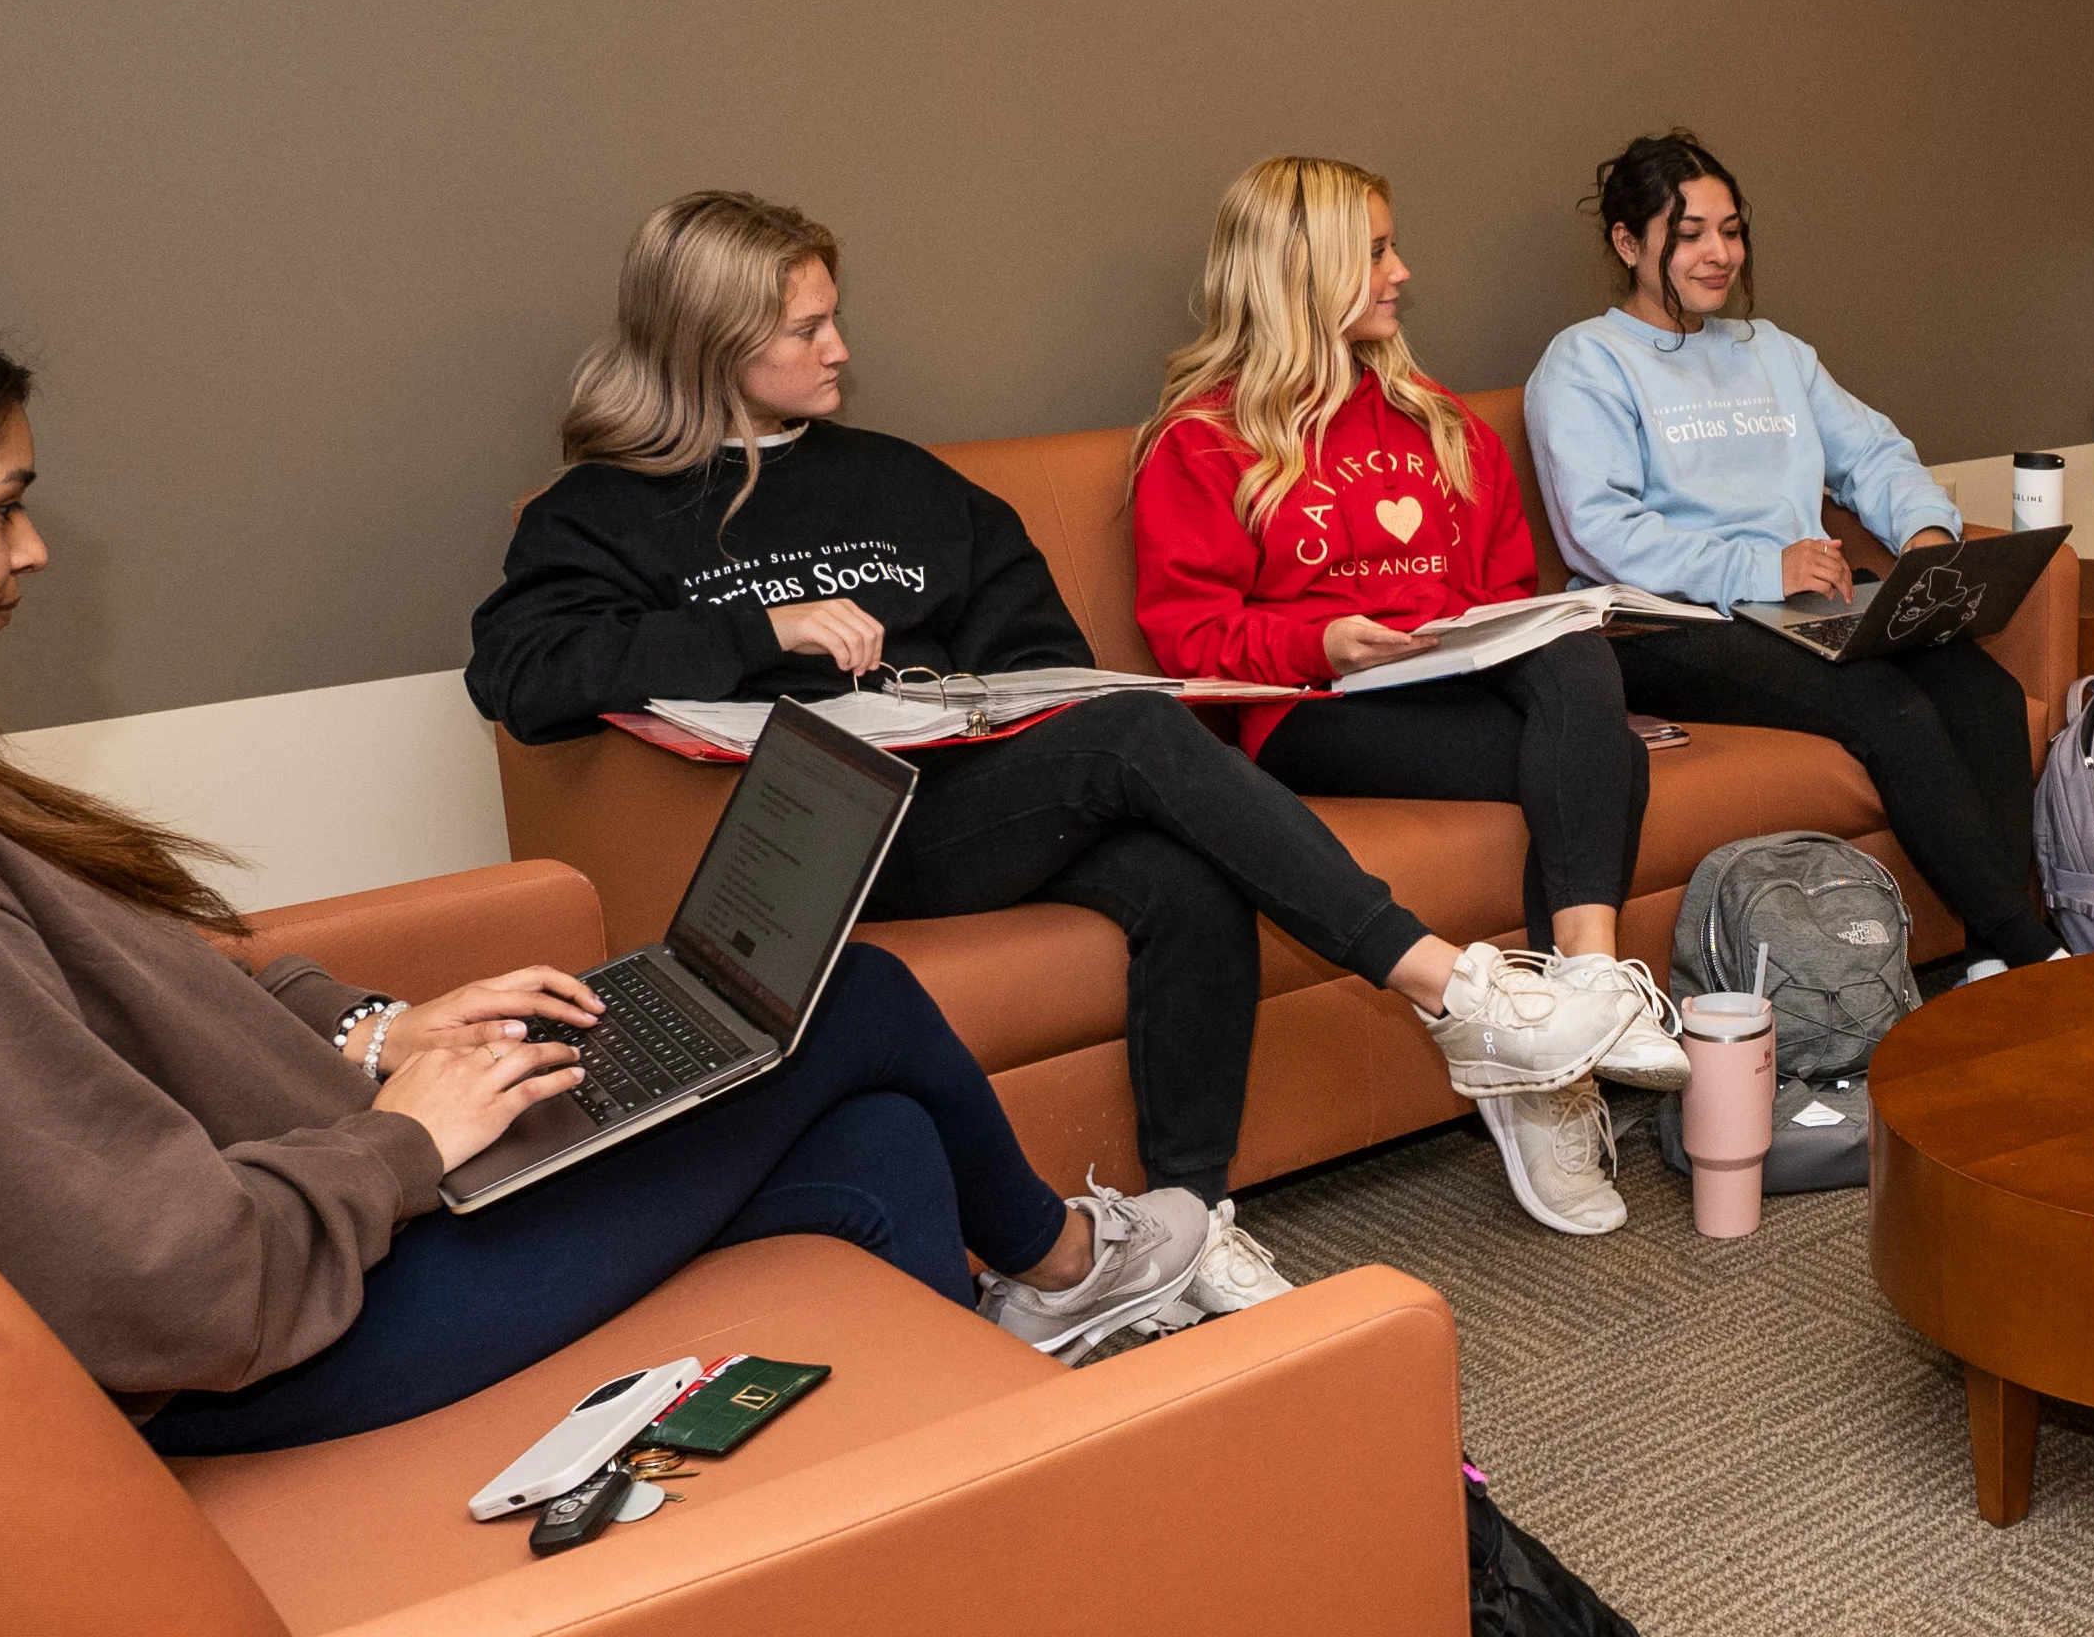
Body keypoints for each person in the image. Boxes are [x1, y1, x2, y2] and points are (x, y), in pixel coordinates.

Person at [0, 270, 1227, 1453]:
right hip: (298, 1320)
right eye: (2, 506)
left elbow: (142, 992)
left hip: (326, 1188)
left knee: (869, 1133)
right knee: (848, 1003)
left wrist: (378, 1033)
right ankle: (1071, 1273)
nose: (32, 549)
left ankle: (964, 1445)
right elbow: (167, 1280)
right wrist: (408, 1138)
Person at [468, 193, 1636, 1284]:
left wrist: (973, 700)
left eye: (834, 318)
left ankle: (1188, 1227)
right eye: (806, 329)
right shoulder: (602, 513)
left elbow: (1035, 646)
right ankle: (1456, 991)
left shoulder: (900, 481)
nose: (839, 350)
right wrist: (760, 627)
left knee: (1184, 872)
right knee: (1132, 732)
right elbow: (520, 673)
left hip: (974, 794)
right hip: (831, 838)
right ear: (711, 344)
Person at [1135, 156, 1665, 1238]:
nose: (1401, 271)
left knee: (1575, 662)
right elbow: (1188, 640)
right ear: (1302, 268)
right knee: (1597, 759)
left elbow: (1510, 590)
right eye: (1375, 251)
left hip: (1450, 683)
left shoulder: (1440, 420)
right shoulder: (1203, 442)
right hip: (1313, 712)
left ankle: (1580, 997)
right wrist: (1319, 637)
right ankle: (1555, 1068)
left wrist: (1483, 635)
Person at [1525, 131, 2068, 982]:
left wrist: (1926, 538)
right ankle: (2031, 949)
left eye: (1731, 230)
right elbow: (1600, 531)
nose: (1719, 254)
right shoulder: (1585, 361)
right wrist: (1762, 569)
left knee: (1983, 692)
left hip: (1804, 604)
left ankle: (1989, 961)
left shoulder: (1772, 351)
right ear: (1629, 244)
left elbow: (1874, 454)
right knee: (1890, 711)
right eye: (1690, 234)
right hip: (1671, 625)